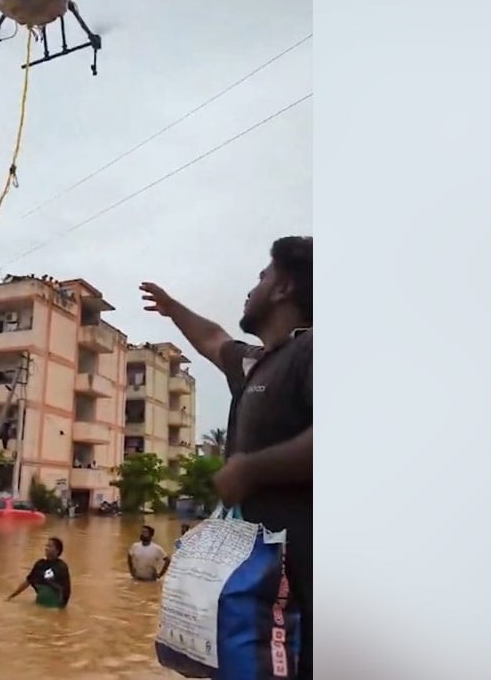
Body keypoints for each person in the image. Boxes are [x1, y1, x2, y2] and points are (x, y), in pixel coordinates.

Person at [140, 235, 313, 679]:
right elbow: (213, 339)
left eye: (262, 276)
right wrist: (174, 308)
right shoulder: (256, 362)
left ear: (283, 289)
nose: (252, 287)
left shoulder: (315, 351)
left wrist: (252, 468)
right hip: (259, 586)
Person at [6, 536, 71, 608]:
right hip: (41, 601)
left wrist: (61, 607)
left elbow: (65, 589)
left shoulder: (61, 567)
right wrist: (11, 596)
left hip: (56, 604)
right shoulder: (40, 564)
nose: (46, 548)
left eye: (50, 546)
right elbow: (28, 581)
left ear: (57, 550)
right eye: (46, 545)